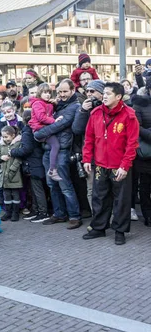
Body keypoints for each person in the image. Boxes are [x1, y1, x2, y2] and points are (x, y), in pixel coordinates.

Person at [82, 83, 139, 245]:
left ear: (119, 97)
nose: (104, 96)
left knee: (121, 200)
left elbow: (132, 144)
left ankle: (120, 230)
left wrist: (125, 165)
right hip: (100, 164)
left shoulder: (129, 115)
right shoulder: (96, 113)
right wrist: (87, 159)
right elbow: (89, 138)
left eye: (108, 93)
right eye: (104, 93)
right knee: (99, 197)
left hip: (119, 166)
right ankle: (99, 227)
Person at [33, 79, 82, 229]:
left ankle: (74, 216)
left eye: (65, 91)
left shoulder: (75, 106)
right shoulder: (57, 104)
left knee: (65, 184)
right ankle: (59, 214)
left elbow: (60, 124)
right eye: (59, 91)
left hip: (61, 150)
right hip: (49, 149)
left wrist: (38, 134)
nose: (61, 94)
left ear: (72, 91)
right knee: (52, 184)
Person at [72, 79, 105, 212]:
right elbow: (77, 129)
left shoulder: (108, 106)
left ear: (102, 93)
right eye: (87, 91)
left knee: (106, 190)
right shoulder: (83, 107)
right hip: (90, 157)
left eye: (93, 91)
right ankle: (96, 219)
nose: (89, 94)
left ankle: (111, 219)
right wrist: (83, 111)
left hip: (106, 156)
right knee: (91, 189)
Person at [29, 83, 62, 182]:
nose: (47, 95)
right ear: (40, 93)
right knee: (55, 145)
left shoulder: (47, 103)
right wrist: (54, 121)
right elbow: (41, 117)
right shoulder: (38, 103)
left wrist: (54, 104)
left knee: (54, 146)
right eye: (45, 93)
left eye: (49, 93)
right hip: (40, 129)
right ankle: (52, 170)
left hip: (44, 128)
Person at [132, 83, 151, 227]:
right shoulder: (139, 103)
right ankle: (148, 216)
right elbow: (136, 127)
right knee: (145, 186)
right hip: (146, 153)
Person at [0, 126, 23, 221]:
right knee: (6, 194)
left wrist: (12, 170)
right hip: (3, 174)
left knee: (15, 194)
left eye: (6, 137)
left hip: (14, 174)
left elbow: (18, 159)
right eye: (3, 137)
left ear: (13, 136)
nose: (4, 139)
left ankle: (15, 213)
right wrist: (0, 158)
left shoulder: (17, 144)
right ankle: (8, 212)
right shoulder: (1, 144)